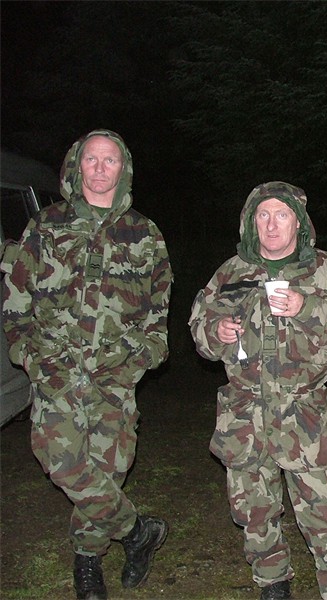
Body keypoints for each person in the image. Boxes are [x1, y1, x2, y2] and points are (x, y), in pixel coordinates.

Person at [1, 130, 173, 600]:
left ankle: (88, 562)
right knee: (59, 459)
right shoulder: (44, 227)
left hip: (115, 377)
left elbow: (158, 319)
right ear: (76, 166)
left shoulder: (145, 235)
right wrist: (30, 357)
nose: (100, 168)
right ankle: (138, 531)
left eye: (110, 160)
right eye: (91, 159)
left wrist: (136, 362)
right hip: (56, 370)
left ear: (124, 169)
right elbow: (16, 305)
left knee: (108, 467)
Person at [188, 181, 327, 600]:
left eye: (282, 215)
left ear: (299, 223)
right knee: (254, 513)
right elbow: (199, 327)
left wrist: (306, 307)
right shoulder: (231, 271)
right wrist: (215, 331)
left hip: (303, 415)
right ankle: (273, 583)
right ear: (251, 223)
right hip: (244, 414)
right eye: (263, 216)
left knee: (326, 515)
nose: (272, 225)